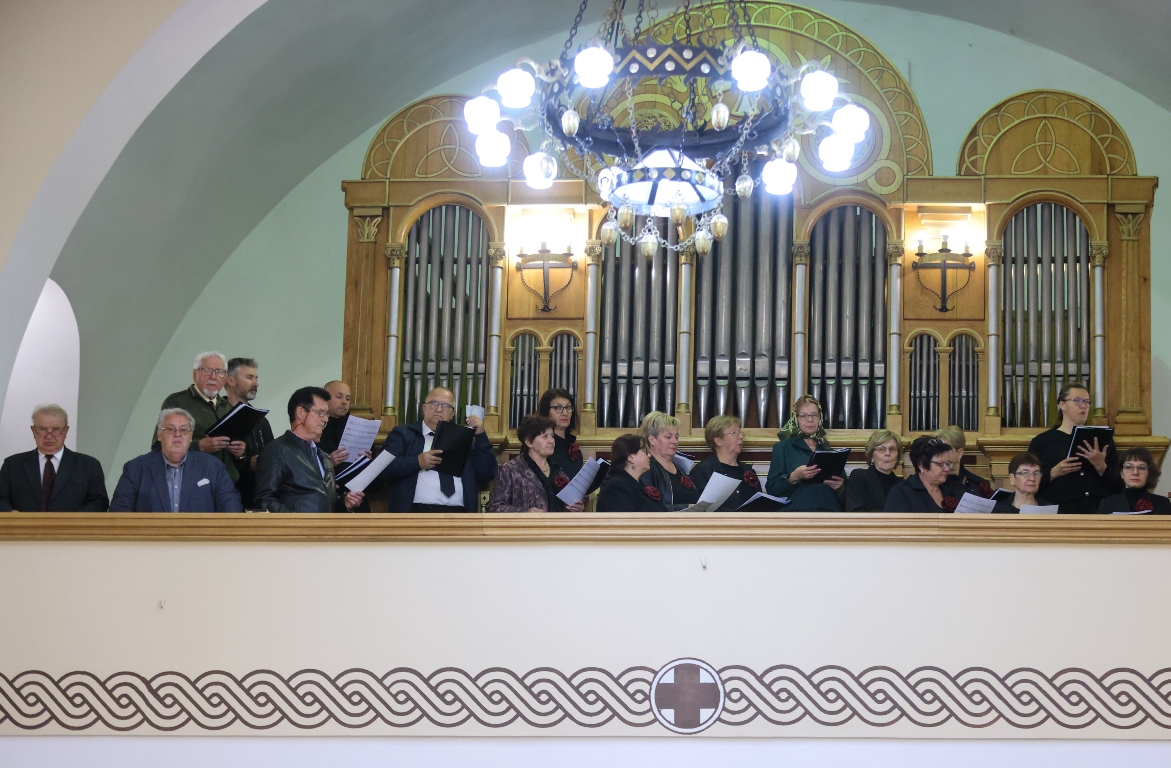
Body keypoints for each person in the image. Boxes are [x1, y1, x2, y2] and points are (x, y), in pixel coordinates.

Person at [379, 387, 496, 512]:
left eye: (446, 406)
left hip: (459, 514)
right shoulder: (403, 434)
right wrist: (417, 462)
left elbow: (486, 473)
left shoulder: (462, 439)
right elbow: (382, 469)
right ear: (424, 408)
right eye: (433, 403)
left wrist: (480, 435)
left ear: (453, 414)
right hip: (416, 513)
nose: (439, 409)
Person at [254, 387, 364, 512]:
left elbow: (326, 505)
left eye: (326, 414)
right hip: (295, 525)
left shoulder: (323, 457)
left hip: (323, 525)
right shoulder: (277, 450)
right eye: (320, 413)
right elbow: (264, 500)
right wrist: (298, 521)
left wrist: (344, 504)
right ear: (301, 412)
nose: (326, 419)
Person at [110, 408, 242, 512]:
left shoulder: (212, 467)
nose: (177, 434)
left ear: (191, 436)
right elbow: (119, 513)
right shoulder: (136, 469)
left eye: (183, 430)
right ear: (159, 435)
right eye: (170, 429)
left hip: (200, 538)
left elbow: (231, 509)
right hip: (151, 538)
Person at [1028, 383, 1122, 514]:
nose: (1083, 406)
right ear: (1062, 405)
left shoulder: (1102, 439)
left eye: (1087, 402)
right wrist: (1054, 472)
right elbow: (1028, 481)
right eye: (1077, 400)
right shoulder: (1042, 442)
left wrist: (1101, 466)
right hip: (1059, 512)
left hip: (1098, 512)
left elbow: (1119, 485)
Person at [0, 404, 108, 512]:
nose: (49, 436)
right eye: (43, 429)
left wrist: (74, 520)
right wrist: (12, 515)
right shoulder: (12, 465)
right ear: (33, 431)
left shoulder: (89, 465)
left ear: (65, 431)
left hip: (73, 523)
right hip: (22, 523)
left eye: (55, 429)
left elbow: (99, 502)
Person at [157, 351, 245, 483]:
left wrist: (240, 454)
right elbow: (159, 447)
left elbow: (238, 464)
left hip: (226, 484)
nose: (213, 376)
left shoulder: (228, 408)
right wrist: (199, 446)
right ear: (195, 375)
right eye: (207, 370)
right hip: (191, 484)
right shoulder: (177, 402)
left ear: (225, 378)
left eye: (219, 371)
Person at [487, 414, 584, 513]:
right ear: (529, 442)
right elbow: (495, 507)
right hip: (528, 523)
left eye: (552, 436)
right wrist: (526, 512)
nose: (551, 441)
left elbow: (565, 507)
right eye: (545, 437)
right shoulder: (510, 469)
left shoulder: (558, 470)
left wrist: (576, 508)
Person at [765, 395, 844, 511]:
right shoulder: (783, 447)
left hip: (830, 511)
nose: (810, 420)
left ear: (820, 418)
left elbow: (845, 488)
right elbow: (772, 489)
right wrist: (794, 477)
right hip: (797, 511)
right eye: (803, 416)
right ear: (795, 419)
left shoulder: (828, 449)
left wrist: (840, 487)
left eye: (814, 415)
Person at [224, 357, 274, 509]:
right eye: (249, 377)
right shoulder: (219, 416)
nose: (256, 383)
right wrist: (246, 462)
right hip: (228, 497)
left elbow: (271, 453)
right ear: (230, 380)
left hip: (259, 497)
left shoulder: (261, 420)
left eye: (256, 378)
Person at [688, 415, 765, 511]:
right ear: (718, 441)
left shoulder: (747, 470)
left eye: (740, 432)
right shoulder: (702, 471)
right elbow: (697, 507)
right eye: (734, 433)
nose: (741, 437)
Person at [640, 411, 700, 511]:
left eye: (676, 437)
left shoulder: (679, 468)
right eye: (668, 437)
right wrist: (686, 508)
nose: (674, 441)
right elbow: (650, 508)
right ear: (652, 439)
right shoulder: (646, 468)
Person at [884, 436, 960, 512]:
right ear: (921, 465)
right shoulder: (901, 493)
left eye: (948, 464)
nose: (947, 469)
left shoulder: (951, 489)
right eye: (940, 464)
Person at [596, 434, 667, 512]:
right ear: (631, 458)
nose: (649, 455)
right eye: (644, 451)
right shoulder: (616, 487)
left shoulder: (636, 484)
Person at [1097, 448, 1171, 515]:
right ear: (1121, 473)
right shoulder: (1107, 504)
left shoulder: (1163, 503)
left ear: (1149, 473)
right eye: (1129, 467)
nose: (1135, 472)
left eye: (1141, 468)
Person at [843, 430, 903, 512]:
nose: (887, 453)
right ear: (872, 456)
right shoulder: (860, 477)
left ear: (898, 455)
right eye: (881, 449)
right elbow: (856, 511)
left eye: (892, 449)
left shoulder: (902, 485)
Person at [935, 425, 992, 498]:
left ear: (960, 453)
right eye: (937, 450)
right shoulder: (932, 482)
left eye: (946, 450)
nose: (940, 454)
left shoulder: (979, 485)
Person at [538, 388, 583, 479]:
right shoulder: (539, 444)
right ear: (546, 412)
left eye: (568, 407)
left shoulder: (573, 447)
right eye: (558, 408)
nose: (565, 413)